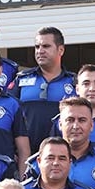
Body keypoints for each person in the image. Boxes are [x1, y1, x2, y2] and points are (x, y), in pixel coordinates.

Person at [10, 26, 76, 154]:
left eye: (46, 46)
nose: (40, 51)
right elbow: (10, 112)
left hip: (60, 155)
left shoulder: (74, 82)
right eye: (37, 47)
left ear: (61, 50)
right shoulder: (21, 80)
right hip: (26, 153)